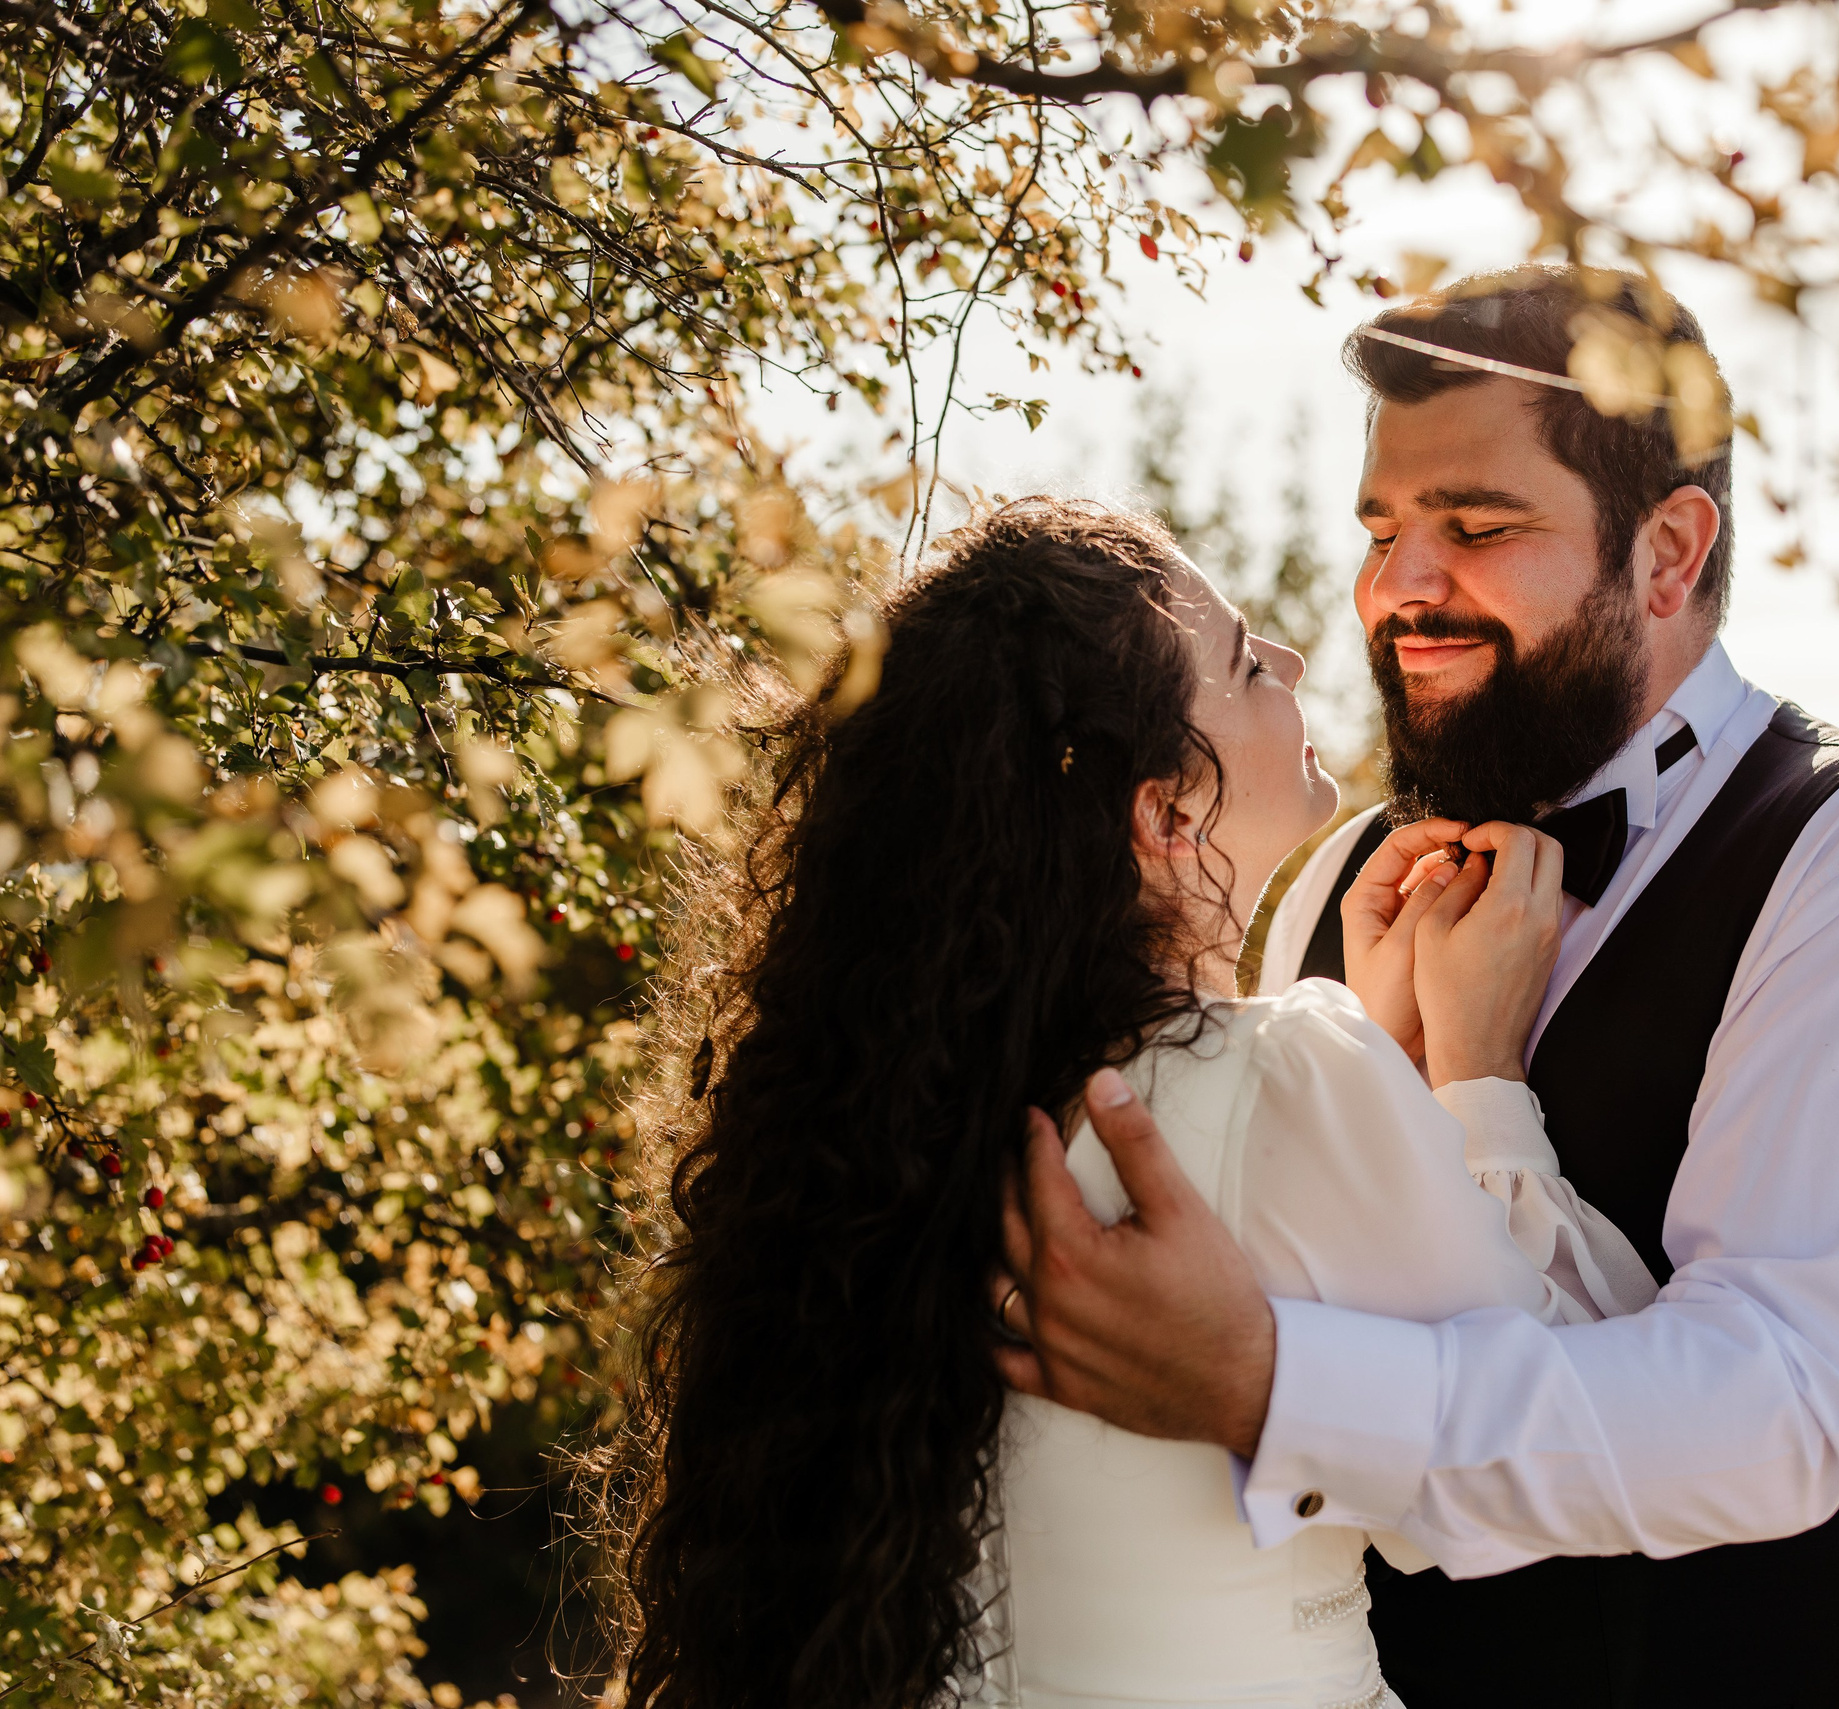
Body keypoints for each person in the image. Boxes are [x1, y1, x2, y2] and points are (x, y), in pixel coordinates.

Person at [994, 268, 1839, 1708]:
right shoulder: (1337, 879)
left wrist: (1271, 1381)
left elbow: (1775, 1410)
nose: (1400, 586)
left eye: (1479, 527)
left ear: (1668, 553)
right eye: (1383, 530)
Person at [591, 497, 1652, 1709]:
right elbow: (1609, 1425)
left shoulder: (903, 1117)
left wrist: (1378, 1048)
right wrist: (1475, 1069)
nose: (1294, 661)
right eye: (1245, 663)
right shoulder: (1289, 1078)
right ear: (1165, 813)